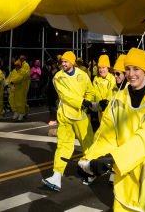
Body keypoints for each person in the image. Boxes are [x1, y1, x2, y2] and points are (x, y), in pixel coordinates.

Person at [80, 48, 145, 211]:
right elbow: (106, 134)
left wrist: (113, 159)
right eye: (127, 69)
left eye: (136, 69)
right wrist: (90, 159)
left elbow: (144, 140)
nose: (130, 74)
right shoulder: (118, 100)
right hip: (125, 177)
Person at [42, 51, 93, 192]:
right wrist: (83, 102)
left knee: (88, 144)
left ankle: (92, 171)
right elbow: (66, 96)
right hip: (65, 115)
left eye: (66, 61)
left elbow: (90, 91)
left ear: (72, 62)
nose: (63, 64)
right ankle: (56, 176)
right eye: (62, 62)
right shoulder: (57, 77)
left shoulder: (83, 75)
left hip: (82, 116)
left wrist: (89, 103)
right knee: (63, 145)